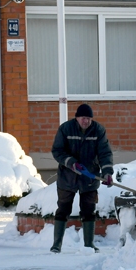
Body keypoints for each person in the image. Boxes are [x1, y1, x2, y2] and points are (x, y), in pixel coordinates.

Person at [50, 103, 114, 253]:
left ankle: (89, 244)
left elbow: (104, 153)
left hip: (89, 178)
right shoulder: (65, 129)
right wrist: (71, 163)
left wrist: (107, 172)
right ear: (77, 118)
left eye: (89, 118)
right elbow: (57, 151)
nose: (86, 121)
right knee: (63, 209)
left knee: (88, 210)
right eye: (83, 118)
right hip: (67, 178)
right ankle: (56, 244)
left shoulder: (98, 130)